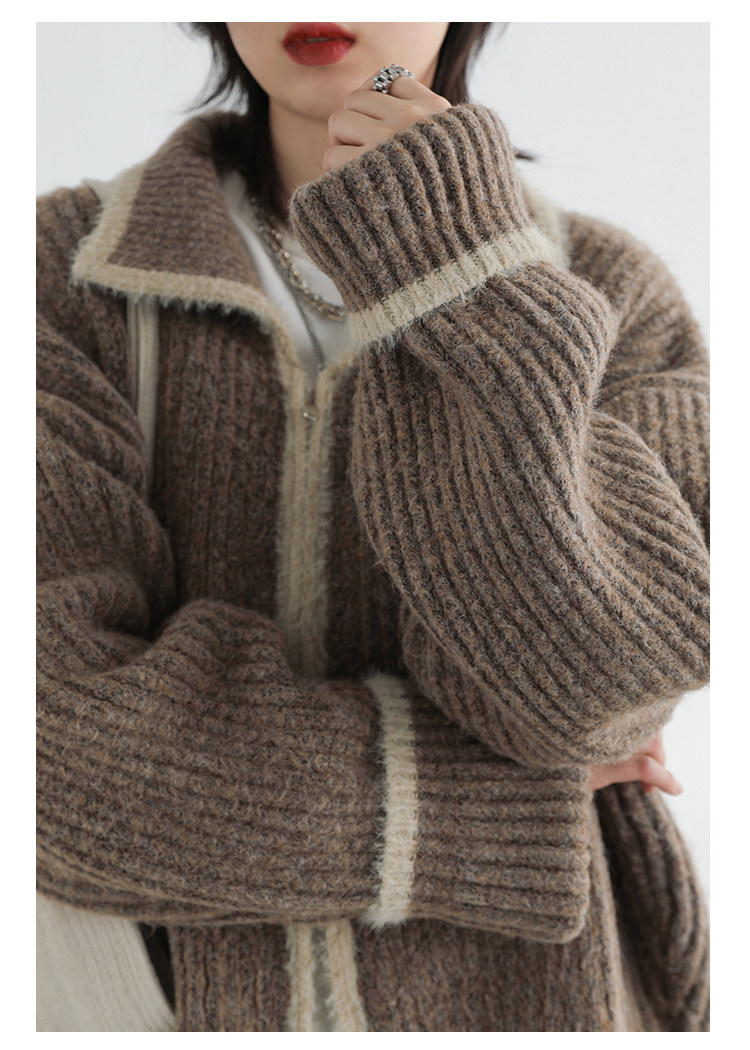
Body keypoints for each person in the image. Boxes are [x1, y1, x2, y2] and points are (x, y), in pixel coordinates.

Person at [36, 22, 710, 1032]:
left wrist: (463, 276)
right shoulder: (60, 270)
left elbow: (591, 689)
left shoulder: (608, 289)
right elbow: (52, 752)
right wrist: (503, 810)